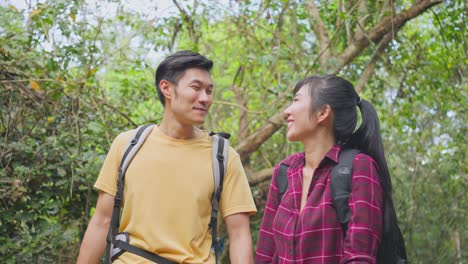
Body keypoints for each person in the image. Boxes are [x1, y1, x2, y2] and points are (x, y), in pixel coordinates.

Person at [77, 50, 257, 264]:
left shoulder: (223, 156)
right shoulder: (127, 144)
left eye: (209, 91)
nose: (205, 98)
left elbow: (239, 235)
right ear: (167, 89)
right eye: (196, 88)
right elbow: (101, 221)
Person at [255, 75, 401, 263]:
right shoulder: (284, 172)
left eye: (296, 100)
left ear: (322, 113)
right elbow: (265, 255)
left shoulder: (359, 167)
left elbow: (359, 256)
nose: (286, 111)